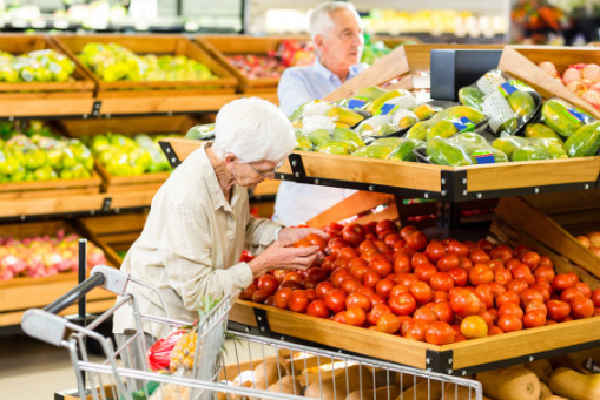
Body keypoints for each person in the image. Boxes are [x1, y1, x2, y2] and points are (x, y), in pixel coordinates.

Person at [112, 98, 327, 341]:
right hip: (157, 325)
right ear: (232, 159)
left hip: (197, 321)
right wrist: (261, 265)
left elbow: (239, 226)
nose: (269, 177)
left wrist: (279, 235)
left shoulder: (232, 175)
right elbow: (196, 291)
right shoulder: (187, 200)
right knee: (168, 382)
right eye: (264, 170)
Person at [273, 1, 365, 227]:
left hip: (360, 214)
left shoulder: (368, 75)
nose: (357, 41)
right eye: (347, 33)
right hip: (306, 214)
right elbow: (310, 122)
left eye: (359, 32)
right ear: (320, 42)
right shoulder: (296, 79)